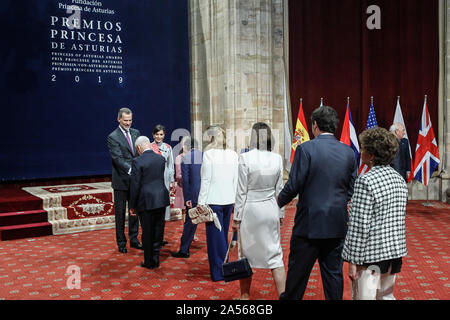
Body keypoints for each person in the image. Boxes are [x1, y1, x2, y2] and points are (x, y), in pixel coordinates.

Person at [277, 105, 357, 300]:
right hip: (337, 224)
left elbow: (294, 185)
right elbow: (352, 188)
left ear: (314, 125)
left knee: (297, 277)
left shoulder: (305, 149)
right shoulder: (348, 153)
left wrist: (276, 203)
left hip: (308, 226)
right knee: (333, 276)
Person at [342, 127, 408, 300]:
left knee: (365, 297)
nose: (360, 151)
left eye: (363, 148)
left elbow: (359, 226)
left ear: (371, 155)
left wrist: (352, 262)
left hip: (371, 257)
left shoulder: (366, 181)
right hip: (394, 253)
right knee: (386, 296)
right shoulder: (399, 179)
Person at [232, 122, 286, 300]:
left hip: (250, 211)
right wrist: (281, 213)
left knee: (245, 255)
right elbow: (280, 190)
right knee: (276, 256)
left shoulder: (245, 158)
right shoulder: (277, 158)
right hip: (270, 208)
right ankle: (283, 297)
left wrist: (237, 218)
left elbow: (241, 191)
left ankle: (245, 297)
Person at [196, 125, 239, 282]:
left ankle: (219, 272)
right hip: (229, 200)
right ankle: (225, 268)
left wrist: (200, 203)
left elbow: (206, 180)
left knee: (216, 239)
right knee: (222, 236)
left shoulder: (209, 154)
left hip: (213, 201)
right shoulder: (233, 154)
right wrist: (235, 200)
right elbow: (236, 180)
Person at [129, 136, 170, 269]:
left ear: (139, 148)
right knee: (158, 231)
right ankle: (156, 259)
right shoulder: (160, 159)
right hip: (161, 199)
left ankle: (148, 262)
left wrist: (132, 205)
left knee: (147, 232)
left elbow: (135, 185)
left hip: (145, 201)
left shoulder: (137, 161)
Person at [107, 108, 142, 253]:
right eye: (125, 120)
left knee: (134, 212)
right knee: (120, 214)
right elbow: (118, 158)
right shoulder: (113, 137)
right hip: (121, 181)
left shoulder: (136, 133)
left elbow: (139, 153)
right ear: (119, 119)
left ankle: (134, 239)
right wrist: (131, 170)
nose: (128, 123)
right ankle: (121, 242)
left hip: (134, 181)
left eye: (130, 120)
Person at [171, 137, 203, 258]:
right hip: (207, 194)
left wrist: (187, 198)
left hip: (193, 195)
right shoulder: (205, 156)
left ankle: (184, 250)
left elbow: (185, 180)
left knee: (190, 223)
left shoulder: (186, 158)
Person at [150, 124, 175, 246]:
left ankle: (160, 237)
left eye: (161, 134)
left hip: (164, 180)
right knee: (154, 208)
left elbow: (171, 165)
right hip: (153, 180)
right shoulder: (149, 147)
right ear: (153, 135)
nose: (159, 136)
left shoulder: (168, 147)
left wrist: (171, 180)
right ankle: (152, 237)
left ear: (164, 135)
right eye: (157, 134)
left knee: (163, 208)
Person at [173, 137, 188, 217]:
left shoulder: (194, 157)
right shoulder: (179, 158)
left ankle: (191, 229)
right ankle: (186, 229)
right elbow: (178, 175)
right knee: (185, 210)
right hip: (183, 186)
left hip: (193, 187)